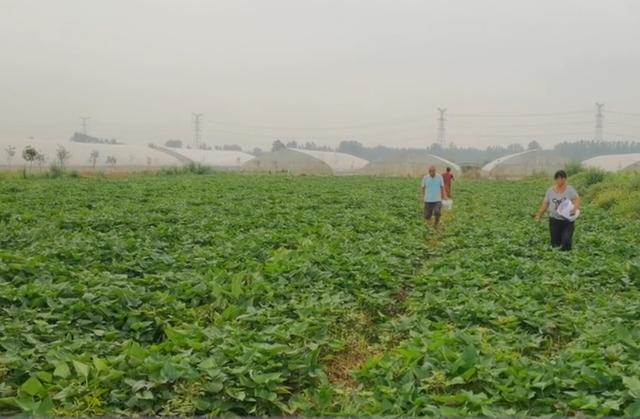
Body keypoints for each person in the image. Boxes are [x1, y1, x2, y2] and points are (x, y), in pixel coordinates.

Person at [534, 170, 581, 251]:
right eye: (558, 178)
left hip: (567, 221)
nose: (560, 180)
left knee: (566, 241)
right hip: (554, 220)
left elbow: (577, 199)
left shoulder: (570, 189)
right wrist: (539, 215)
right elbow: (545, 204)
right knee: (555, 244)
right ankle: (556, 259)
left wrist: (575, 208)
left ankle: (567, 258)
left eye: (562, 178)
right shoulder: (550, 191)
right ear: (555, 179)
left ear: (565, 179)